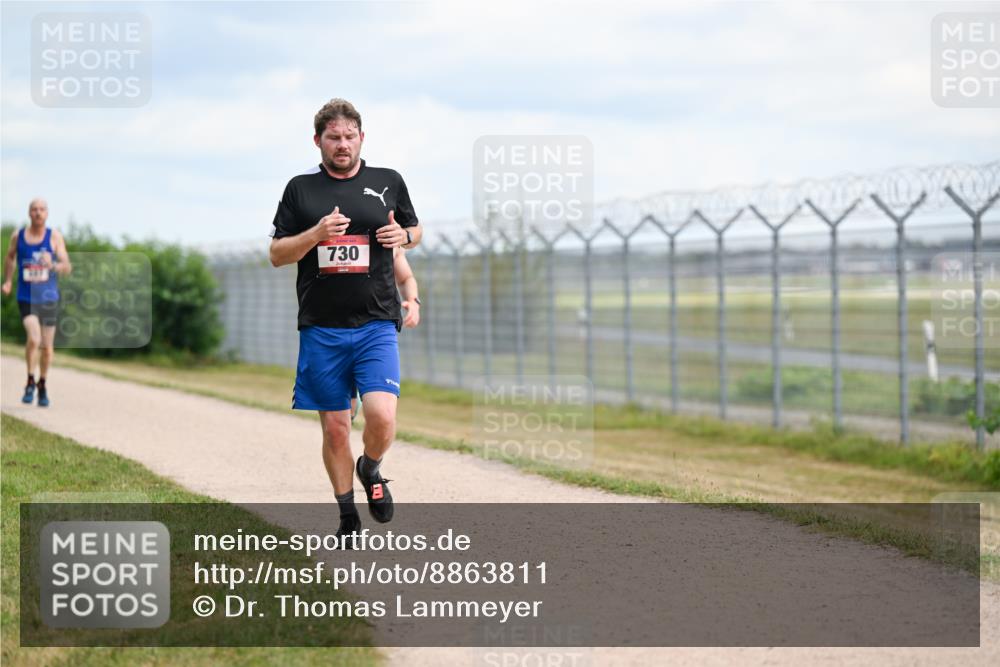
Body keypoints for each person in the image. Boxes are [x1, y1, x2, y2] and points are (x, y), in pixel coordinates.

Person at [269, 99, 422, 544]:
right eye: (333, 137)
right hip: (322, 326)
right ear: (317, 141)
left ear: (361, 138)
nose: (342, 144)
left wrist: (405, 237)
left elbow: (414, 232)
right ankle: (346, 515)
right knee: (336, 427)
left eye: (349, 136)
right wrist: (315, 235)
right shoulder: (300, 190)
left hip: (375, 321)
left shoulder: (387, 182)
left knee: (381, 416)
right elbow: (277, 254)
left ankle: (370, 466)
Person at [1, 198, 72, 407]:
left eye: (42, 209)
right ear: (29, 213)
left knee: (47, 347)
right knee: (34, 338)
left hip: (49, 298)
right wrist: (7, 281)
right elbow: (9, 257)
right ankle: (30, 381)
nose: (38, 213)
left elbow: (66, 265)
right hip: (26, 297)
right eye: (34, 209)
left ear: (47, 213)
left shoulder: (54, 237)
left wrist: (55, 266)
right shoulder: (18, 236)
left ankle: (42, 384)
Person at [351, 247, 421, 421]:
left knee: (382, 414)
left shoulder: (389, 238)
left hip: (376, 327)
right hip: (332, 326)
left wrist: (413, 301)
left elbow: (406, 278)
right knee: (341, 418)